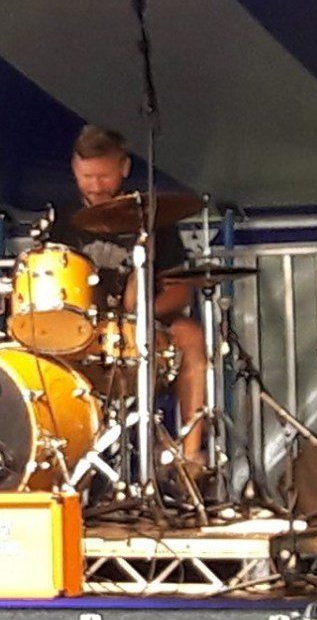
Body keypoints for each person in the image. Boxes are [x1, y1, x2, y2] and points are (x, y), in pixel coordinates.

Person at [51, 124, 210, 464]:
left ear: (123, 168)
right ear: (74, 169)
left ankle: (190, 457)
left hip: (144, 327)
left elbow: (179, 292)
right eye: (86, 176)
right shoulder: (60, 221)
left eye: (104, 177)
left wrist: (140, 317)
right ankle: (60, 459)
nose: (95, 186)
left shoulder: (152, 216)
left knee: (192, 336)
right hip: (82, 331)